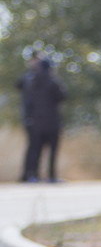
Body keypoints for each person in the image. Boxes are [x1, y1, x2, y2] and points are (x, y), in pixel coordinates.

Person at [22, 57, 66, 183]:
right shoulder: (53, 81)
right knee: (52, 151)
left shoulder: (32, 81)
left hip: (36, 122)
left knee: (35, 150)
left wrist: (28, 118)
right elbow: (63, 96)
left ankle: (33, 175)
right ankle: (51, 175)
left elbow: (27, 101)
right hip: (52, 122)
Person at [15, 51, 41, 182]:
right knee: (32, 146)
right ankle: (28, 174)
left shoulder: (41, 76)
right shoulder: (28, 77)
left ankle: (34, 174)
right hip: (29, 117)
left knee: (38, 147)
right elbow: (18, 85)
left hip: (40, 118)